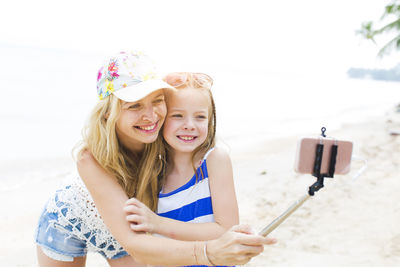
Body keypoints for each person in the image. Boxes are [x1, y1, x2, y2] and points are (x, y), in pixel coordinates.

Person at [35, 51, 276, 267]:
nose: (150, 116)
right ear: (109, 111)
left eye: (157, 101)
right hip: (71, 222)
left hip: (130, 224)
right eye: (135, 105)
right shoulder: (90, 159)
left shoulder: (163, 138)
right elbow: (139, 246)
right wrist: (209, 252)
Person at [123, 72, 239, 249]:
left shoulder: (214, 161)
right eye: (177, 116)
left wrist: (158, 223)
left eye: (200, 117)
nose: (190, 125)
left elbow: (227, 231)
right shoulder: (153, 174)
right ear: (159, 119)